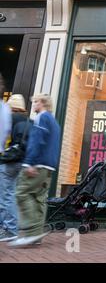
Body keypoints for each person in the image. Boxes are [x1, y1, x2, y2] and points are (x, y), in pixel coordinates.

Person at [8, 94, 61, 248]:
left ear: (43, 103)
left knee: (21, 193)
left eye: (36, 102)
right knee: (39, 199)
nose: (34, 105)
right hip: (49, 166)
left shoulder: (42, 118)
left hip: (37, 164)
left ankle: (31, 233)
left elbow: (37, 140)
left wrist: (30, 163)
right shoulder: (54, 122)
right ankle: (36, 234)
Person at [0, 95, 33, 242]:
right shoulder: (30, 121)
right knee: (13, 194)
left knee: (6, 195)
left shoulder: (9, 118)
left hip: (9, 161)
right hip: (24, 162)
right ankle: (11, 226)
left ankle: (10, 229)